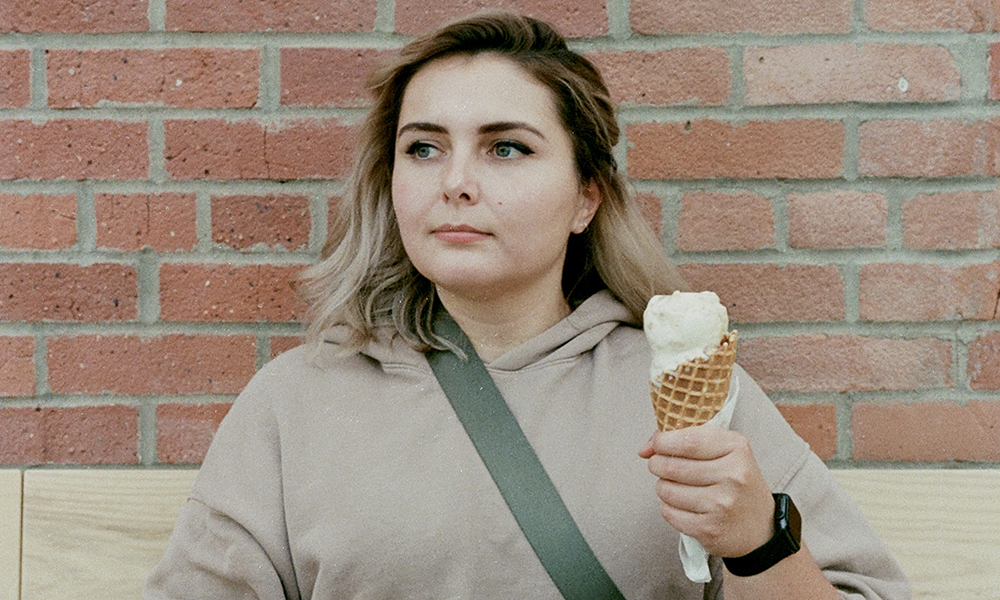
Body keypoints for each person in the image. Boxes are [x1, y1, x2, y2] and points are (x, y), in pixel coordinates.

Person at [144, 12, 909, 600]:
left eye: (506, 147)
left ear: (586, 197)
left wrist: (760, 544)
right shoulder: (295, 403)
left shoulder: (685, 394)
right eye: (423, 147)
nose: (457, 182)